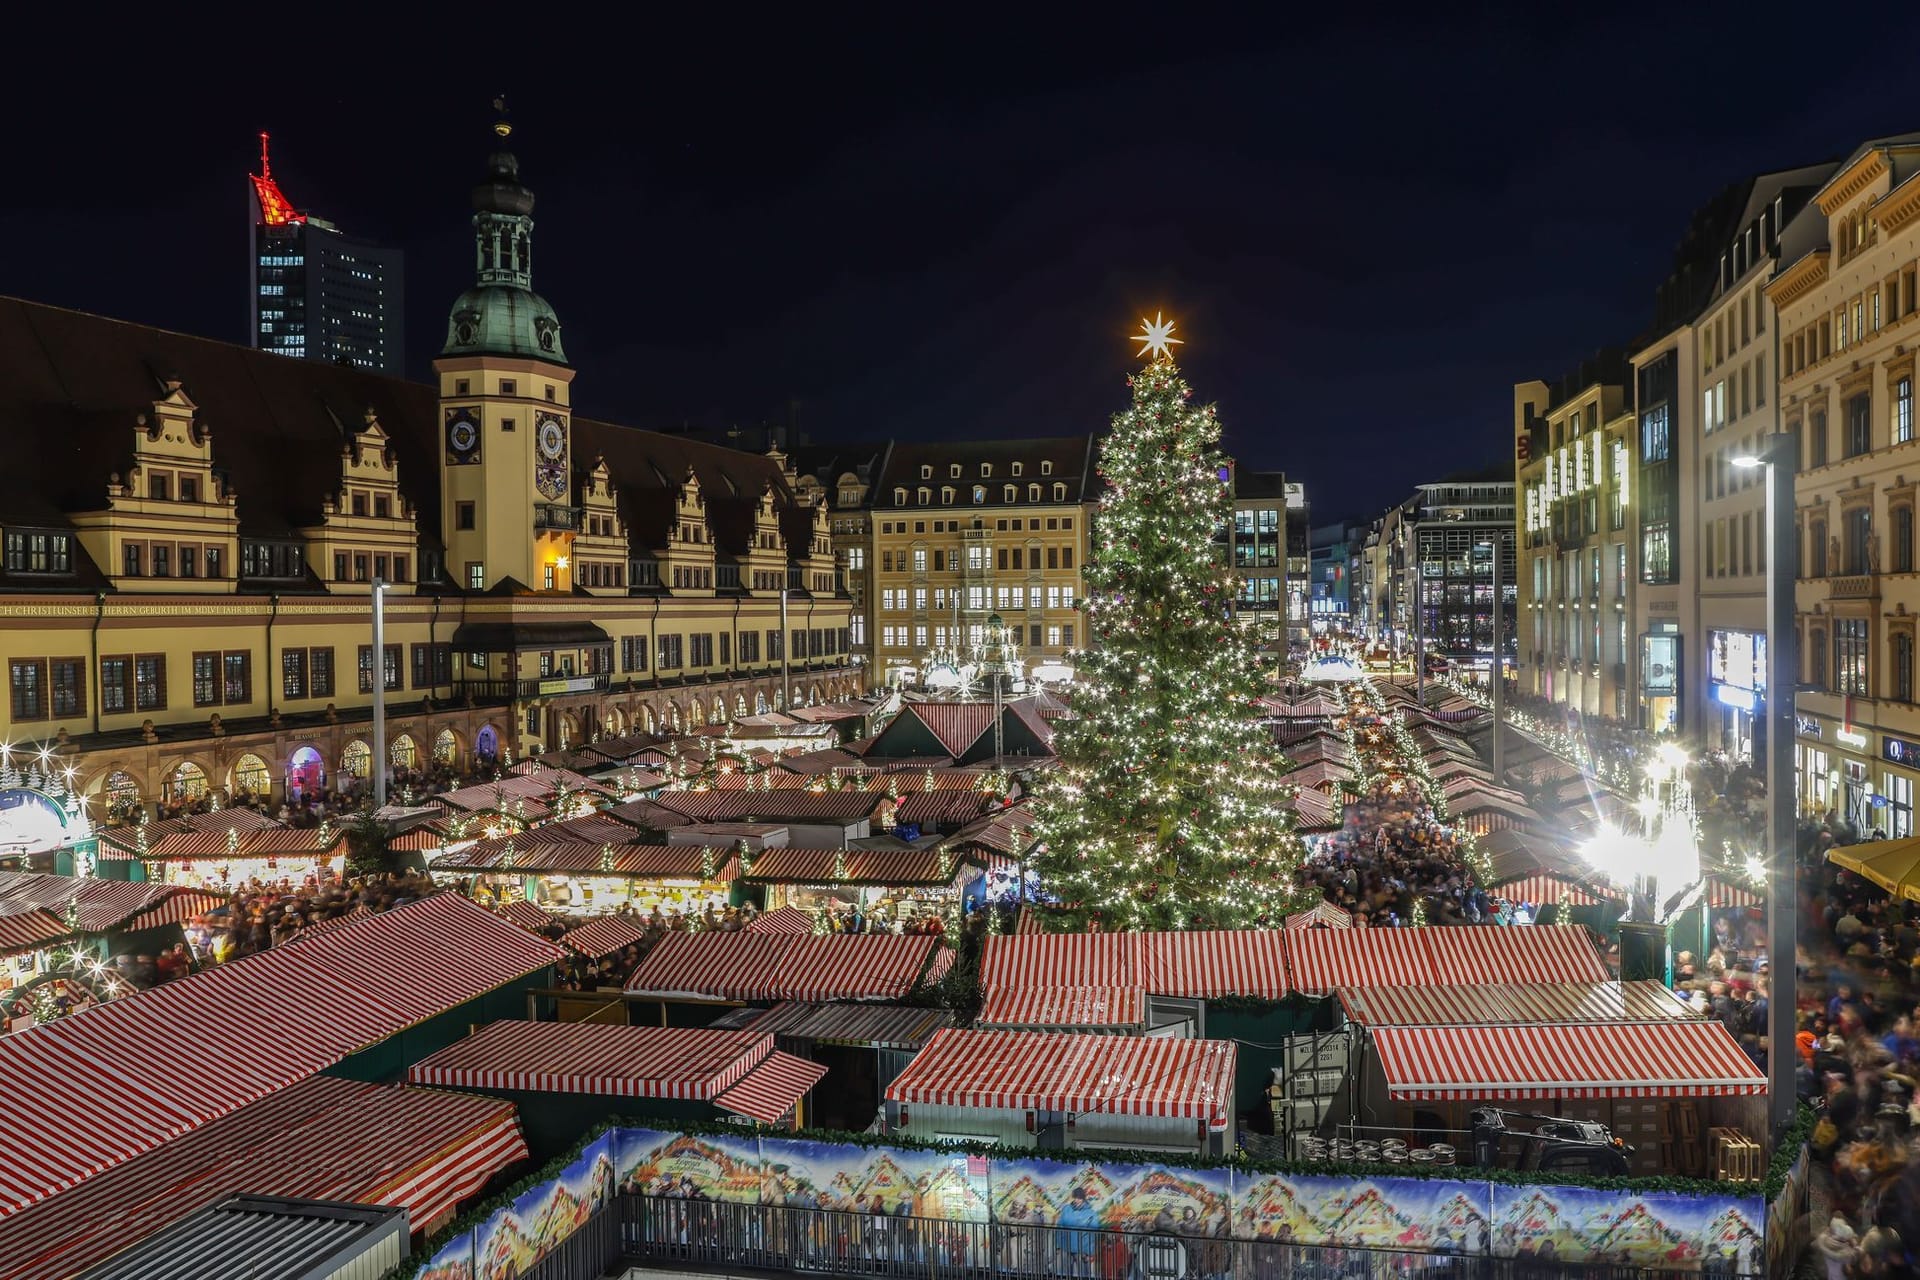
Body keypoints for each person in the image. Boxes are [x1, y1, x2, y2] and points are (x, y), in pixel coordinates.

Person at [1056, 1186, 1099, 1278]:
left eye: (1079, 1198)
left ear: (1083, 1198)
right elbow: (1060, 1227)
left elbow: (1093, 1234)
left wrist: (1090, 1253)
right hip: (1066, 1247)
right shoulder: (1066, 1209)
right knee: (1064, 1275)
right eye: (1075, 1197)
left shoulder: (1091, 1213)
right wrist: (1058, 1245)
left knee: (1083, 1275)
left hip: (1082, 1250)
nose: (1077, 1200)